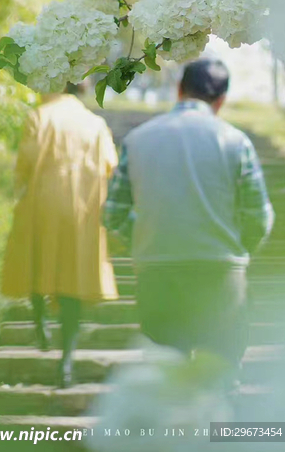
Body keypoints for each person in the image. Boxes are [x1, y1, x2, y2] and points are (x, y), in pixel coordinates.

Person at [103, 59, 274, 380]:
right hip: (220, 275)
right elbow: (259, 217)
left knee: (164, 383)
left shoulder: (137, 140)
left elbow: (112, 214)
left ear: (179, 90)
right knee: (220, 378)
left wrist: (142, 238)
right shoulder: (236, 142)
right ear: (221, 100)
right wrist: (237, 247)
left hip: (157, 274)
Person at [2, 84, 118, 387]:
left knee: (37, 265)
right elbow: (110, 166)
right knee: (72, 285)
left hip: (41, 205)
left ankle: (40, 318)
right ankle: (66, 364)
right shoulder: (96, 124)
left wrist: (17, 190)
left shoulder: (38, 116)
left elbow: (23, 166)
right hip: (81, 212)